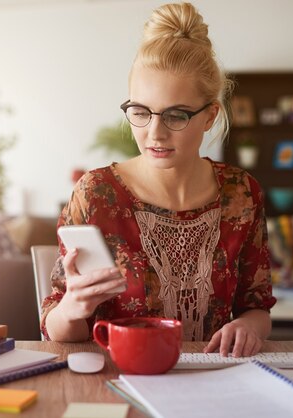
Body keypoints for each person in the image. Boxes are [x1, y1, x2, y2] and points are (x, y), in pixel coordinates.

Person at [41, 2, 275, 357]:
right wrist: (73, 306)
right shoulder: (97, 195)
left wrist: (246, 327)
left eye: (176, 115)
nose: (154, 133)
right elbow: (56, 330)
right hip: (119, 381)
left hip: (213, 382)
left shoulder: (242, 193)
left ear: (210, 115)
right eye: (140, 112)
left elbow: (257, 308)